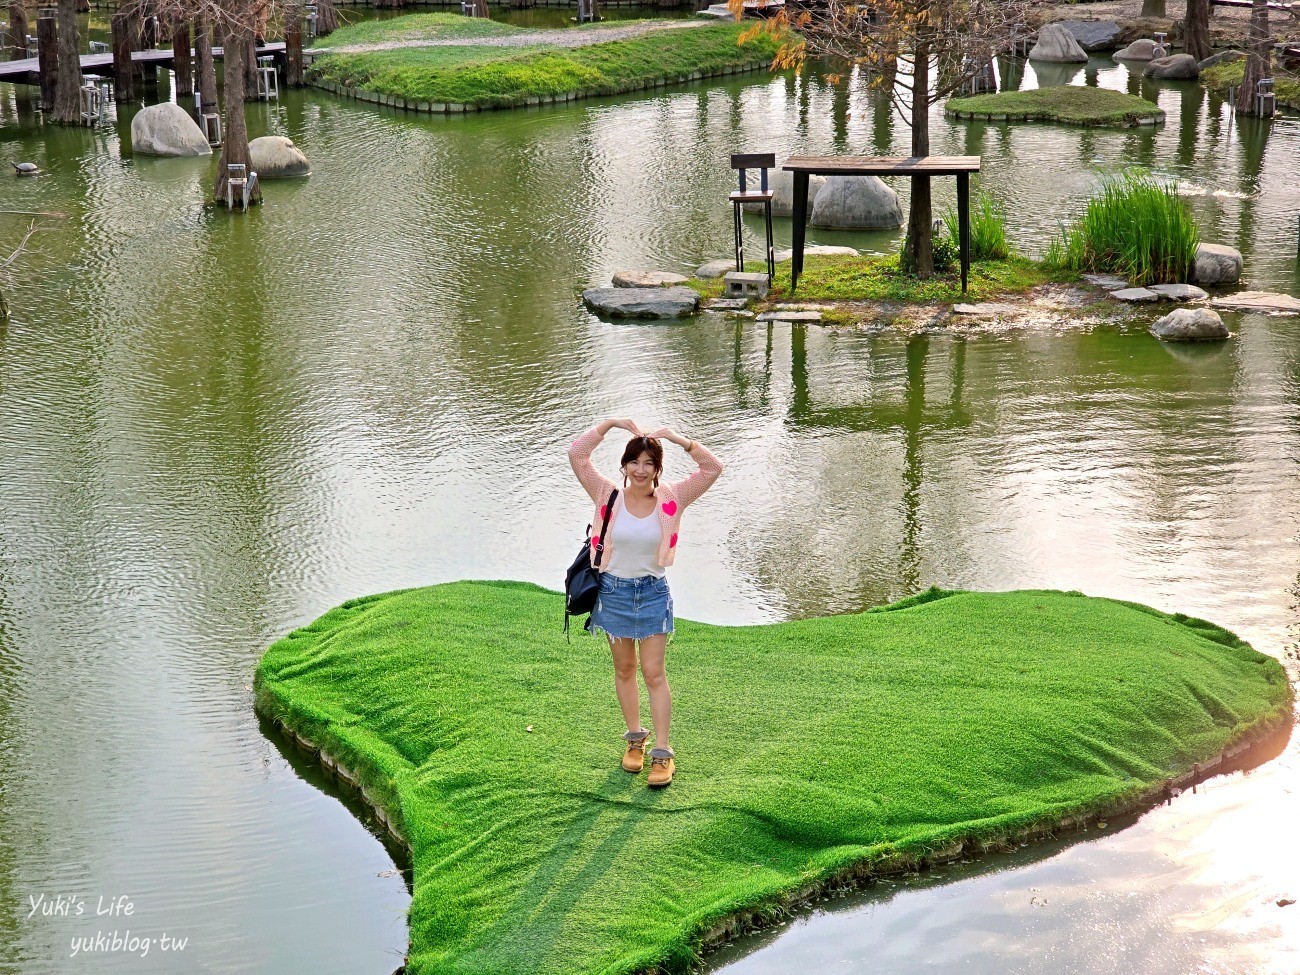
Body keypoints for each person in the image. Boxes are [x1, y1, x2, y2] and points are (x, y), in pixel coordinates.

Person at [567, 418, 723, 788]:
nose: (641, 470)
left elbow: (712, 468)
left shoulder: (672, 498)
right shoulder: (608, 495)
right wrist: (611, 424)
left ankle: (663, 754)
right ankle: (635, 740)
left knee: (653, 673)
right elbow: (577, 454)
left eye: (649, 463)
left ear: (657, 468)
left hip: (652, 593)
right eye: (634, 462)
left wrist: (679, 439)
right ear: (624, 465)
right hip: (613, 593)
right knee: (624, 670)